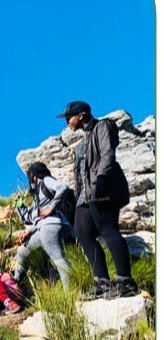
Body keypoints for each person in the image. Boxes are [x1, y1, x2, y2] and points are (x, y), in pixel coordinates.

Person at [57, 100, 137, 299]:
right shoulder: (81, 143)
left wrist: (101, 179)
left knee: (108, 230)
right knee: (82, 233)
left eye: (69, 117)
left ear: (81, 115)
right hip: (86, 195)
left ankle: (125, 282)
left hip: (103, 187)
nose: (67, 122)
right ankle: (102, 282)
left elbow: (108, 154)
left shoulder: (103, 126)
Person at [13, 162, 74, 289]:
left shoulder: (46, 180)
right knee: (23, 252)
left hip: (51, 226)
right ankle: (16, 282)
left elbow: (63, 186)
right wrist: (19, 206)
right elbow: (32, 218)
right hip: (46, 227)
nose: (30, 180)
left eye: (30, 176)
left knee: (58, 259)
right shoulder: (38, 196)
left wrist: (51, 207)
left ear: (33, 175)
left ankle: (70, 292)